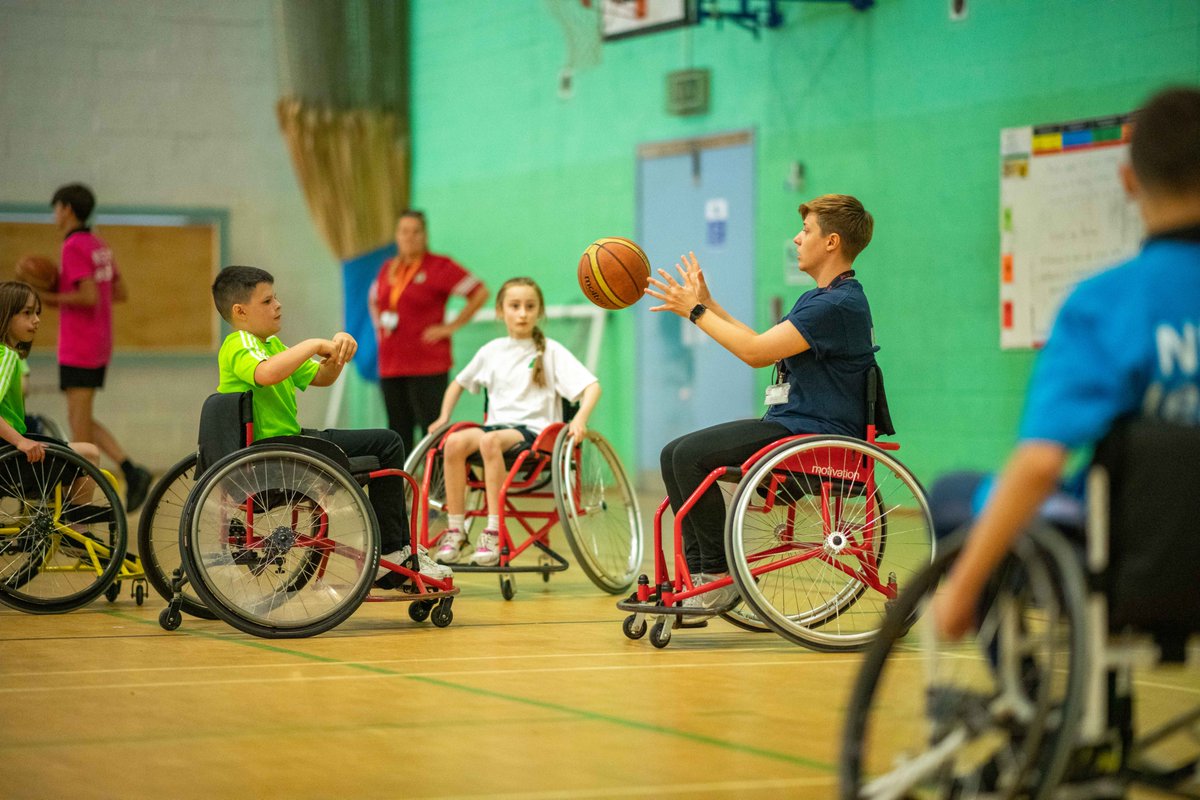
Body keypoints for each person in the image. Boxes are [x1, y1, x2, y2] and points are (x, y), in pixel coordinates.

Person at [930, 86, 1200, 794]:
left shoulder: (1109, 303)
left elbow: (1041, 463)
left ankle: (1044, 713)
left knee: (955, 495)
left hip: (1129, 561)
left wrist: (961, 588)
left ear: (1129, 179)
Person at [645, 194, 880, 612]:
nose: (797, 239)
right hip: (795, 425)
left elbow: (754, 354)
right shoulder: (823, 298)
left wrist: (696, 312)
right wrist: (708, 305)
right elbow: (762, 344)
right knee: (674, 454)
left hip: (814, 434)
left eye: (806, 230)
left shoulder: (837, 305)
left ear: (831, 242)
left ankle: (716, 575)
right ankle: (701, 575)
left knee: (688, 456)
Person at [211, 265, 450, 585]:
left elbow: (322, 377)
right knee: (388, 445)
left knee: (386, 442)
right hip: (272, 453)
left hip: (287, 444)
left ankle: (394, 549)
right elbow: (266, 373)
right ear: (240, 311)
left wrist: (339, 350)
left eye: (276, 297)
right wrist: (312, 344)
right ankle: (393, 552)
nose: (278, 305)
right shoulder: (239, 342)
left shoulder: (272, 346)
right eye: (267, 301)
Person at [427, 277, 601, 566]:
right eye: (515, 306)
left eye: (530, 307)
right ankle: (456, 530)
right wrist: (444, 416)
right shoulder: (491, 350)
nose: (522, 313)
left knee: (489, 440)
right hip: (495, 429)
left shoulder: (552, 351)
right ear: (500, 311)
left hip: (535, 434)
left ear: (539, 312)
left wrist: (580, 419)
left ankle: (493, 531)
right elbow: (458, 383)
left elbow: (592, 387)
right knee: (454, 441)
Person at [42, 183, 152, 511]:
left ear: (67, 209)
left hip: (78, 345)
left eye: (56, 208)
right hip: (99, 342)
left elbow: (88, 296)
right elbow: (118, 291)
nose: (55, 215)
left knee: (79, 434)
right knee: (81, 419)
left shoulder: (73, 245)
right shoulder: (97, 244)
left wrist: (44, 297)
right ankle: (131, 470)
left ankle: (80, 508)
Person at [369, 210, 490, 454]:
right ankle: (402, 476)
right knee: (397, 429)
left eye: (416, 231)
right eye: (404, 231)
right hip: (391, 363)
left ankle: (436, 477)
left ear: (425, 235)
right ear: (397, 235)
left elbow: (480, 292)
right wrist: (379, 328)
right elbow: (374, 300)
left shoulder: (439, 266)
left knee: (431, 428)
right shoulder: (389, 268)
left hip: (427, 363)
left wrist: (451, 327)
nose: (409, 237)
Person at [0, 280, 101, 469]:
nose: (36, 320)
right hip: (8, 452)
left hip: (9, 447)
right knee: (89, 453)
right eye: (27, 312)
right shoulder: (6, 356)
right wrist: (21, 441)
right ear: (5, 314)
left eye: (37, 313)